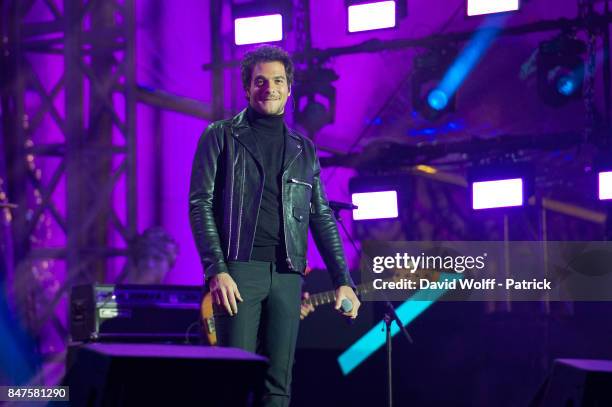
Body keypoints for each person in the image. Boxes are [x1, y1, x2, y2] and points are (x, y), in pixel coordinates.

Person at [189, 45, 360, 407]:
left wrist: (342, 279)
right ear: (247, 87)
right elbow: (199, 204)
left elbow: (320, 215)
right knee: (232, 380)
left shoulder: (304, 149)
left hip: (287, 274)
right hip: (239, 271)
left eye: (278, 81)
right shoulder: (220, 136)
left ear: (289, 88)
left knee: (278, 384)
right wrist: (216, 270)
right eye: (261, 81)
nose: (270, 88)